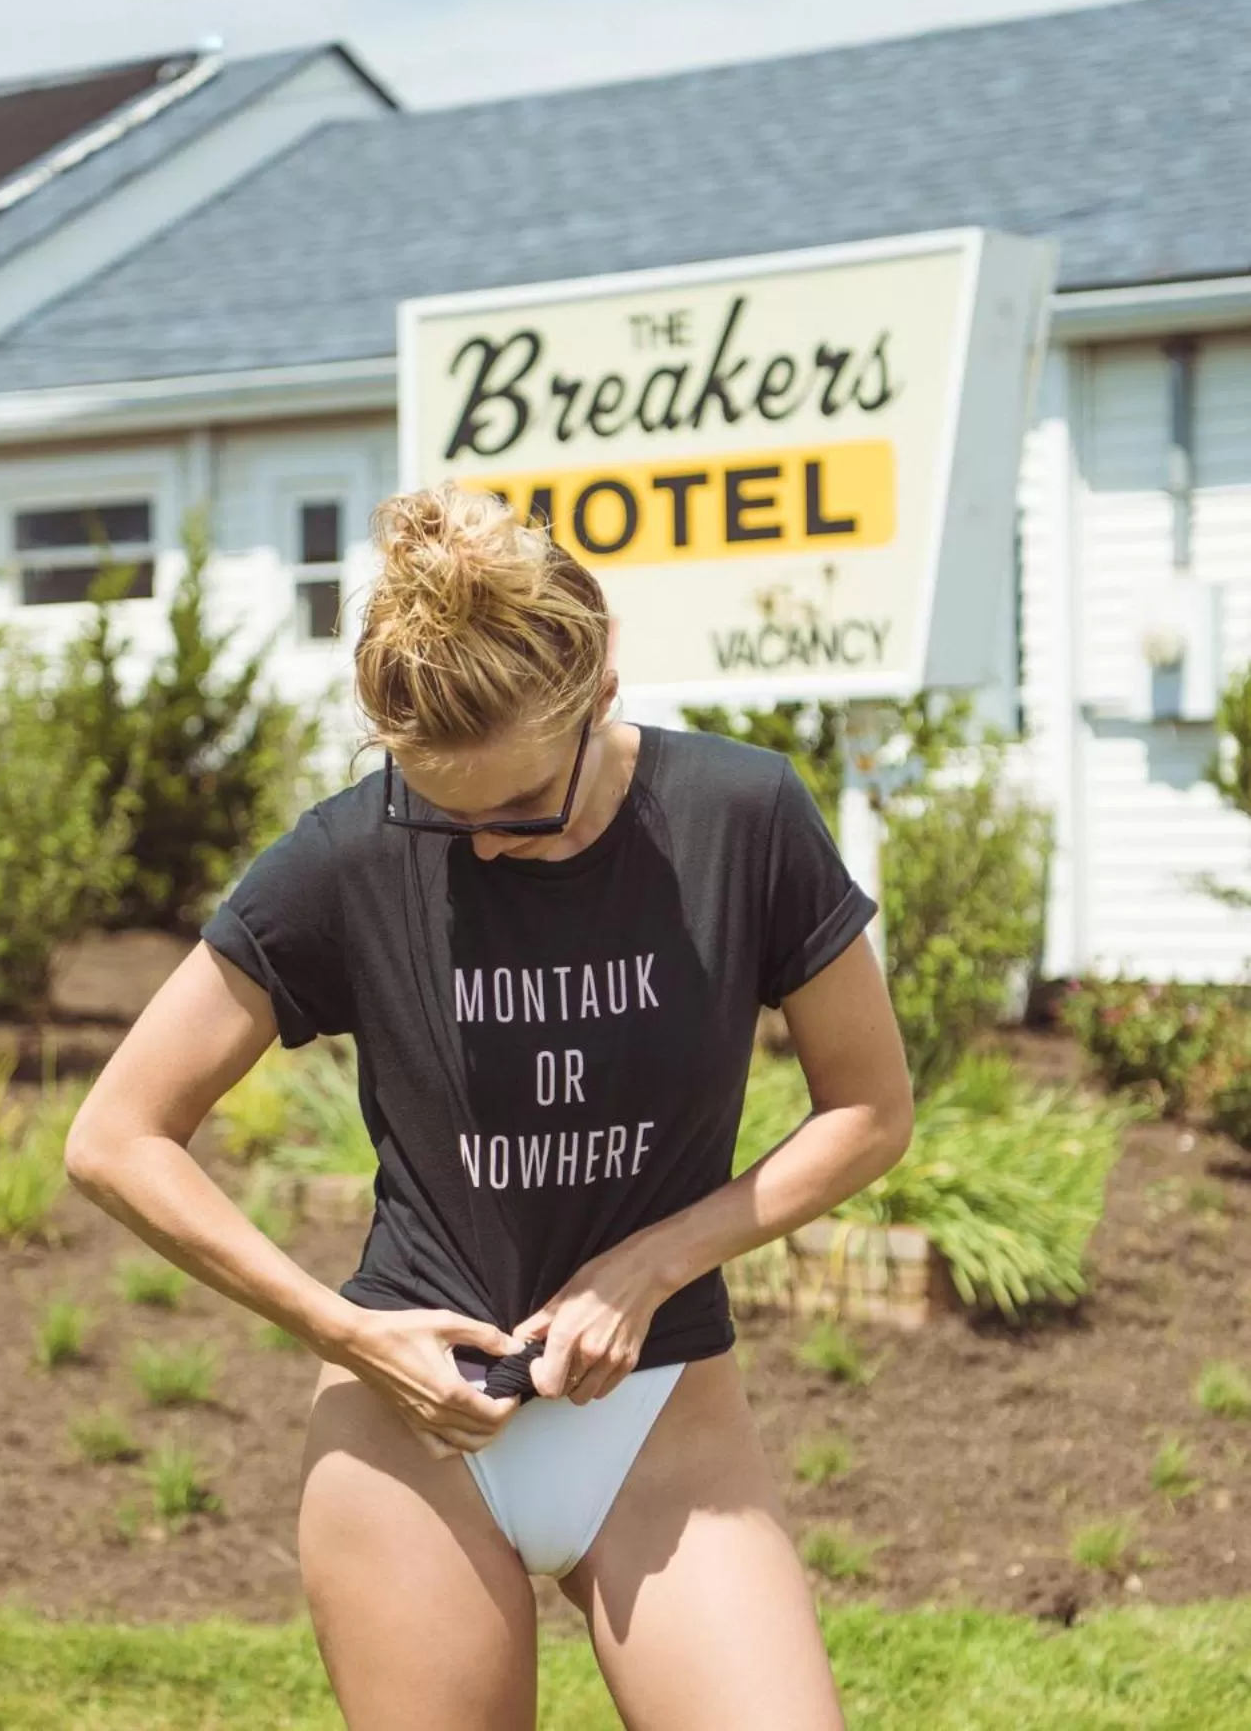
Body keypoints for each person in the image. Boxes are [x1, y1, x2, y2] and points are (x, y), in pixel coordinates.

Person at [65, 481, 913, 1731]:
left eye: (521, 811)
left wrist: (655, 1262)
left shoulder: (742, 817)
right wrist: (349, 1333)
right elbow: (115, 1136)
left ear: (602, 679)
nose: (482, 846)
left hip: (663, 1425)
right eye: (439, 811)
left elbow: (871, 1110)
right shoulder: (349, 853)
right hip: (407, 1446)